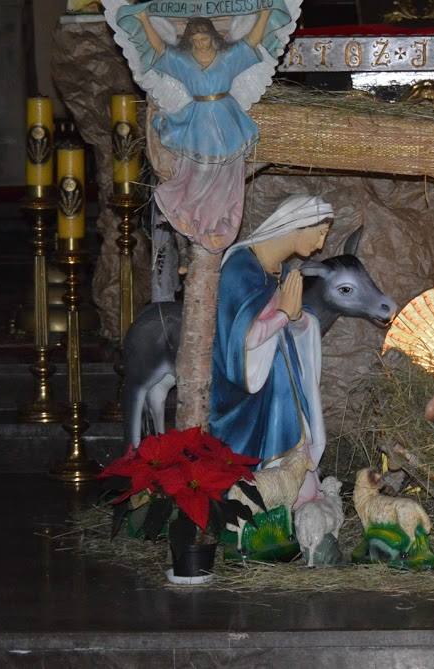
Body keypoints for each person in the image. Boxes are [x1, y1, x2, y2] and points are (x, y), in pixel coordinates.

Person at [107, 2, 294, 252]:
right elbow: (159, 49)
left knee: (228, 174)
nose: (201, 43)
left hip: (226, 120)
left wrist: (264, 14)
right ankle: (190, 214)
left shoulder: (228, 59)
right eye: (195, 40)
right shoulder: (183, 63)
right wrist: (143, 19)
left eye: (204, 38)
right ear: (189, 41)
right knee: (199, 171)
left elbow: (251, 42)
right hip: (198, 124)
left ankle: (219, 224)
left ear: (213, 37)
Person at [209, 195, 333, 477]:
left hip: (279, 392)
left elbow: (290, 325)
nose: (320, 245)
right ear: (299, 224)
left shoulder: (282, 271)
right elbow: (243, 340)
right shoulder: (240, 268)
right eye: (320, 233)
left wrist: (299, 319)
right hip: (242, 397)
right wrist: (284, 315)